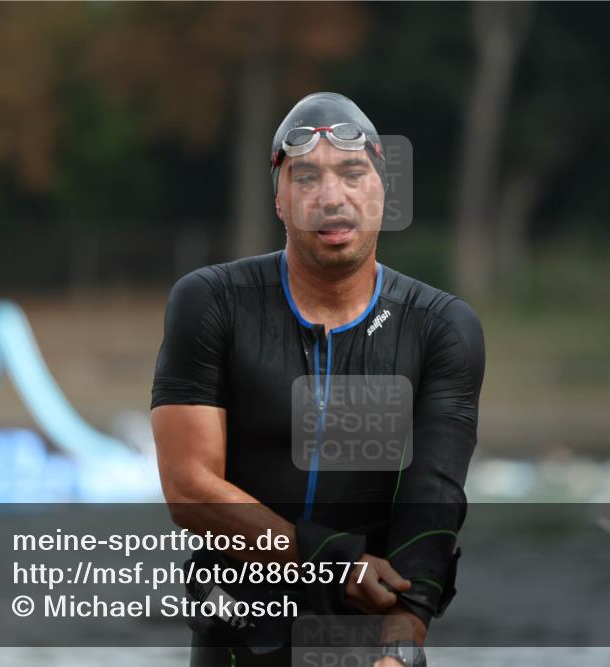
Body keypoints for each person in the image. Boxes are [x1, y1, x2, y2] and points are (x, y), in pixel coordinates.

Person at [150, 92, 485, 666]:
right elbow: (189, 489)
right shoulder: (212, 303)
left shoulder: (440, 328)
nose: (331, 197)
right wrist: (331, 563)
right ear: (279, 200)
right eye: (306, 178)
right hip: (239, 635)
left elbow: (432, 501)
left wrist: (402, 643)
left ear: (383, 190)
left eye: (352, 174)